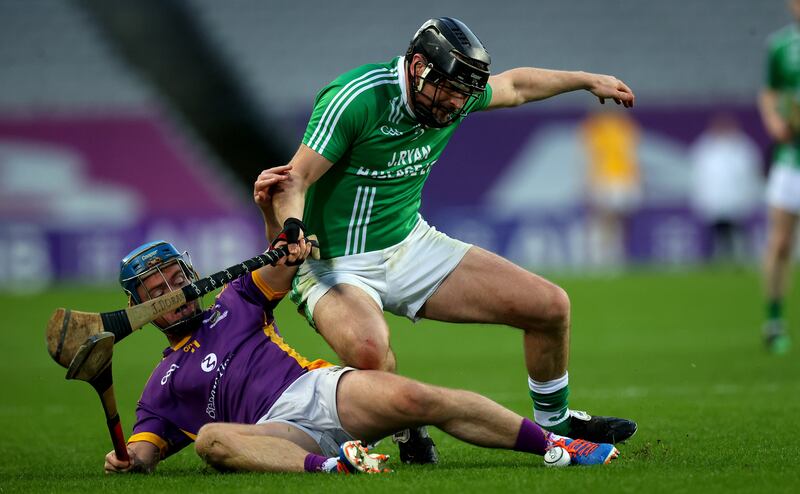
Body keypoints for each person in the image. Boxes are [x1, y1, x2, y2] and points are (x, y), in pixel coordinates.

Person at [268, 17, 638, 462]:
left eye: (463, 95)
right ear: (417, 66)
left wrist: (586, 81)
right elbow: (294, 180)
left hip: (410, 245)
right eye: (446, 90)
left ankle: (556, 425)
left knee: (550, 306)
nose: (454, 104)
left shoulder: (455, 92)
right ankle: (408, 431)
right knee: (369, 351)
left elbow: (517, 86)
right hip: (333, 263)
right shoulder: (358, 97)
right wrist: (291, 229)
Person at [103, 167, 620, 475]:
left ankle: (558, 446)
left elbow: (282, 261)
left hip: (318, 391)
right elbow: (143, 454)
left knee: (420, 399)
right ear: (140, 307)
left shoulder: (235, 301)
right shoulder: (160, 389)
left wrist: (279, 224)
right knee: (213, 440)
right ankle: (337, 466)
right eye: (159, 289)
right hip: (274, 436)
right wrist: (125, 459)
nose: (177, 291)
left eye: (179, 277)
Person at [757, 0, 800, 354]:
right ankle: (773, 321)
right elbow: (770, 93)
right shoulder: (781, 46)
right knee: (781, 242)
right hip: (791, 159)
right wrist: (774, 122)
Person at [688, 114, 763, 264]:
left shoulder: (743, 147)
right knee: (716, 231)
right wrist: (701, 197)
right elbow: (698, 175)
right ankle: (715, 259)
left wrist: (749, 195)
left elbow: (751, 173)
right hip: (714, 199)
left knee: (736, 230)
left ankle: (739, 259)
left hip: (736, 198)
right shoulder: (704, 147)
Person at [581, 108, 642, 269]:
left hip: (622, 180)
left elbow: (631, 155)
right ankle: (599, 258)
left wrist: (635, 180)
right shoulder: (594, 128)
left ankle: (614, 256)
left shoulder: (626, 127)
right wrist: (589, 183)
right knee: (603, 219)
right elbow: (589, 157)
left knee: (616, 221)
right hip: (604, 180)